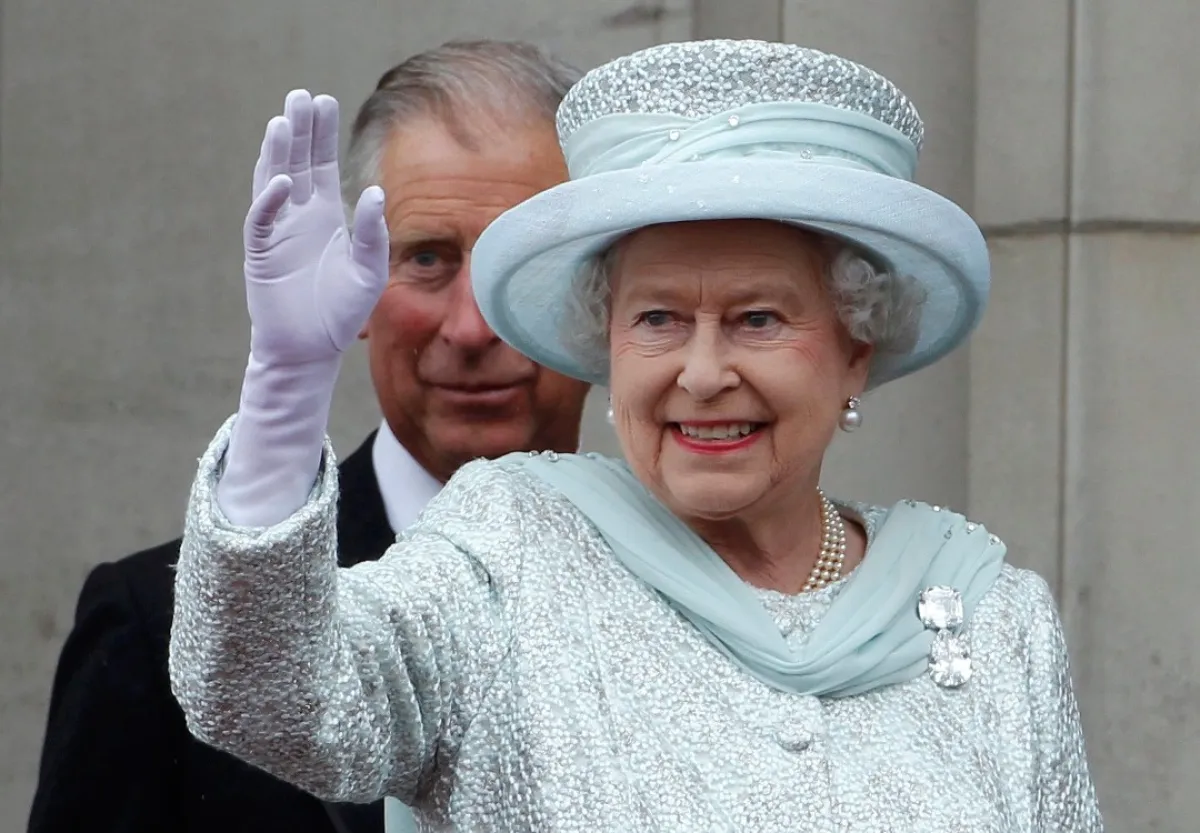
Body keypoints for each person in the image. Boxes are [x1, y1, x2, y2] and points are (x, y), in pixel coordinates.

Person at [167, 39, 1104, 831]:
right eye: (657, 319)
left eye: (758, 319)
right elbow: (277, 697)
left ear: (857, 347)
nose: (700, 373)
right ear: (605, 343)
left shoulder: (994, 619)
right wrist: (286, 384)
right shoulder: (507, 552)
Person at [28, 41, 589, 833]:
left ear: (604, 298)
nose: (471, 325)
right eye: (425, 259)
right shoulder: (159, 624)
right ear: (353, 287)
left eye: (514, 265)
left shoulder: (691, 594)